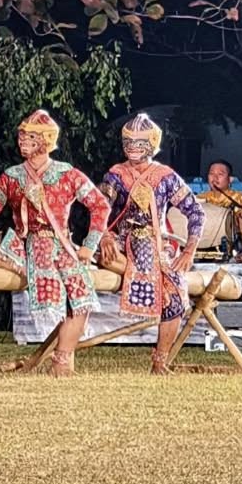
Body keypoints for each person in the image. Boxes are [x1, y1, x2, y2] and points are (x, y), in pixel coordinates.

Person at [0, 110, 110, 375]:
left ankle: (62, 361)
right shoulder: (12, 176)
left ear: (46, 140)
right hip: (25, 246)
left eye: (30, 137)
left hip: (61, 246)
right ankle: (24, 270)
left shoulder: (67, 174)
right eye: (21, 135)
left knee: (81, 298)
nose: (22, 141)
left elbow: (100, 205)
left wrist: (89, 245)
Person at [96, 112, 203, 374]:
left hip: (156, 246)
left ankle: (160, 361)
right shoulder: (116, 175)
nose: (133, 147)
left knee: (175, 292)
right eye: (129, 142)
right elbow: (99, 208)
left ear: (152, 144)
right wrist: (105, 236)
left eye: (140, 142)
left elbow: (196, 212)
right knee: (108, 258)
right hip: (120, 242)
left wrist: (189, 250)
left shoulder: (165, 176)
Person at [196, 160, 242, 261]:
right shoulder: (200, 198)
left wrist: (238, 216)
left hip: (233, 247)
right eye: (211, 174)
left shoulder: (239, 198)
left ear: (230, 179)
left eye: (220, 174)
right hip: (205, 247)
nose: (215, 178)